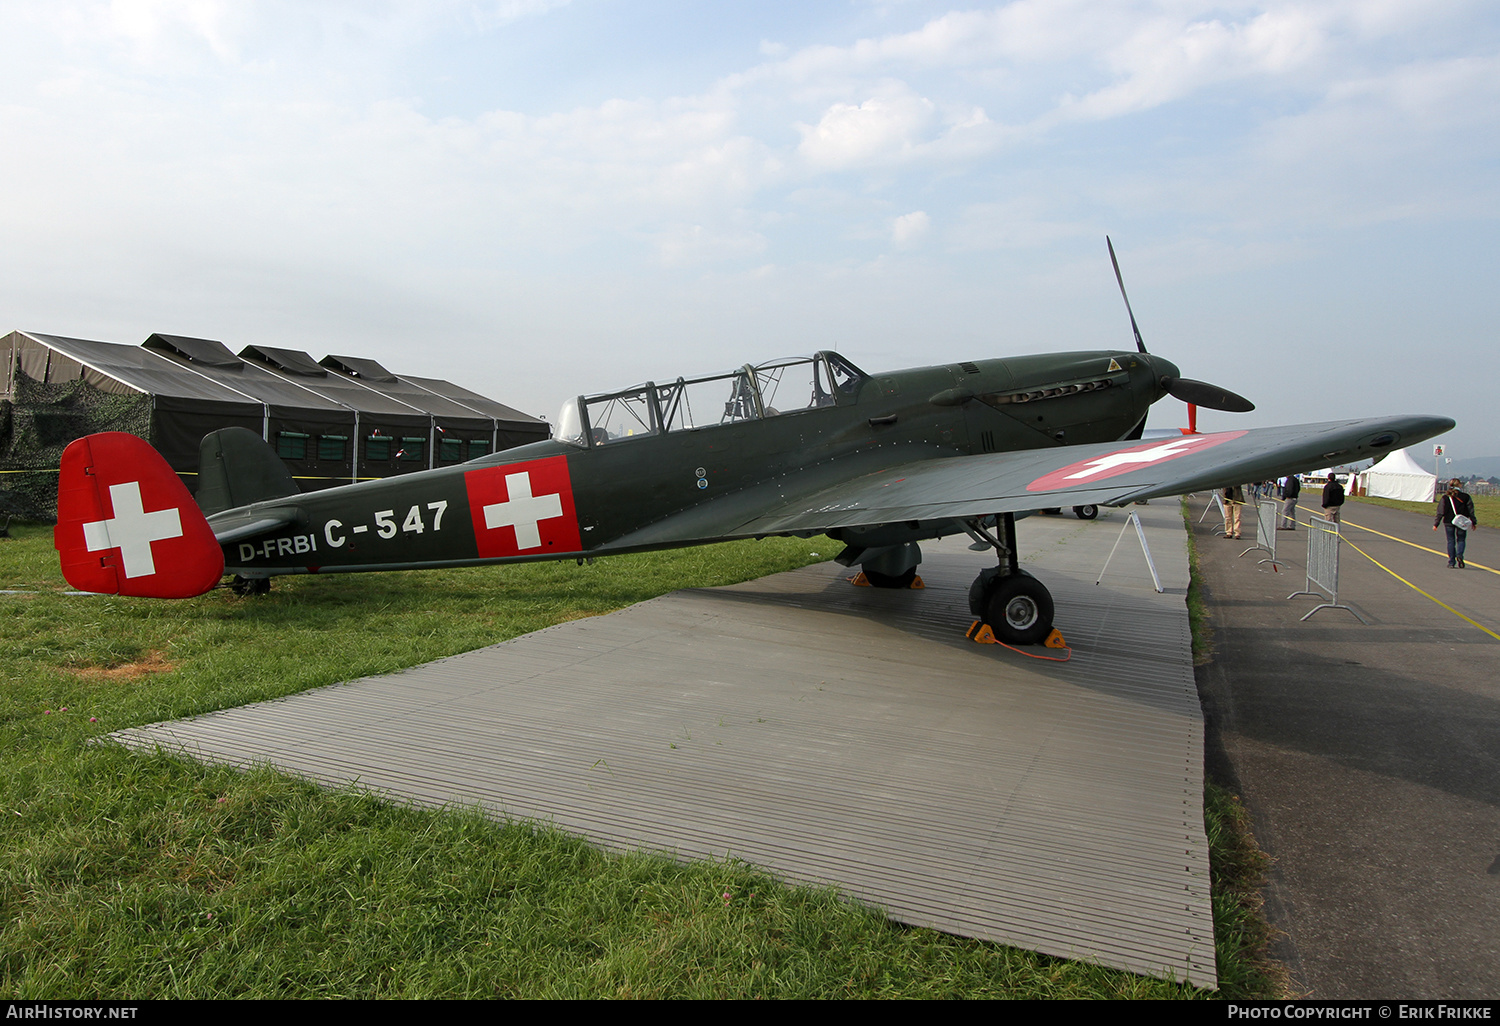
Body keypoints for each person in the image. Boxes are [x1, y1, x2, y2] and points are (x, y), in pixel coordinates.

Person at [1434, 478, 1478, 569]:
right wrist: (1473, 521)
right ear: (1459, 485)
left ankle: (1451, 562)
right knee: (1461, 539)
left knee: (1451, 541)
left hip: (1449, 521)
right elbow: (1471, 510)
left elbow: (1440, 511)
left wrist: (1436, 523)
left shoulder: (1445, 497)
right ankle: (1460, 555)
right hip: (1461, 521)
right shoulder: (1466, 497)